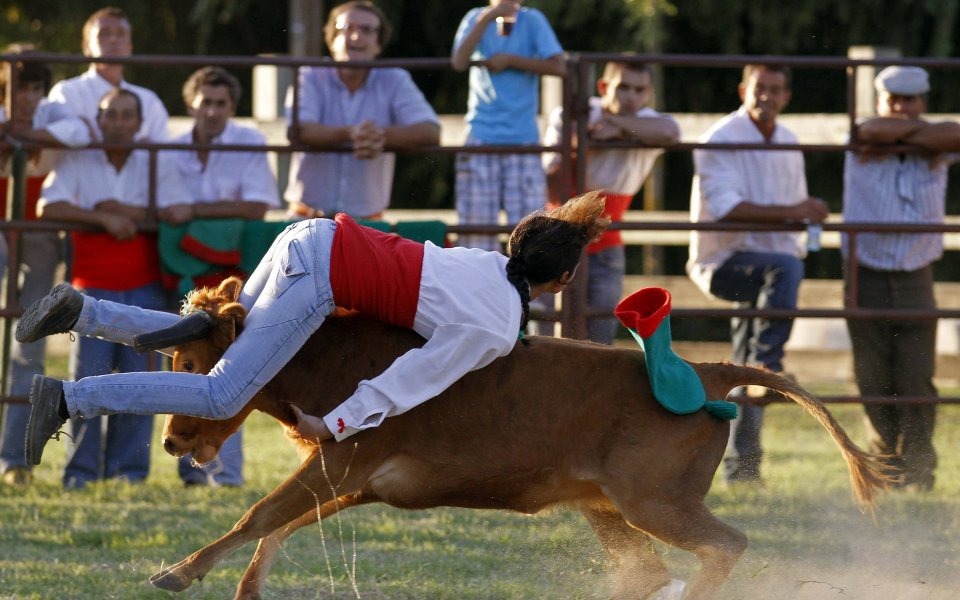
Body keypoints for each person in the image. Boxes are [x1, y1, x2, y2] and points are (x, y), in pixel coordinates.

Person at [19, 192, 609, 465]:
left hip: (310, 236)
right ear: (562, 278)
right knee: (225, 389)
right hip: (322, 272)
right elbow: (414, 377)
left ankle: (81, 311)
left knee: (214, 334)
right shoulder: (500, 326)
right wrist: (334, 423)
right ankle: (70, 398)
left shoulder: (487, 263)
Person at [32, 88, 188, 488]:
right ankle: (80, 475)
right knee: (88, 379)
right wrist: (99, 217)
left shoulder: (156, 160)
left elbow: (174, 209)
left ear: (139, 123)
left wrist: (117, 211)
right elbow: (47, 206)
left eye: (125, 115)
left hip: (146, 283)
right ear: (99, 121)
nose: (117, 123)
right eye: (109, 115)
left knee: (141, 383)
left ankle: (128, 475)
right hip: (91, 286)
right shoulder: (79, 158)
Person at [686, 64, 829, 483]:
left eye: (775, 89)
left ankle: (742, 467)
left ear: (786, 96)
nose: (766, 96)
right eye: (759, 88)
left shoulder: (787, 140)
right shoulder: (721, 139)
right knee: (756, 354)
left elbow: (793, 205)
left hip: (771, 266)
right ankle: (768, 370)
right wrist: (795, 213)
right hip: (725, 261)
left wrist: (807, 213)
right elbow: (728, 208)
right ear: (743, 90)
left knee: (741, 359)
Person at [160, 66, 282, 487]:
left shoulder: (248, 140)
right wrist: (218, 211)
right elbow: (166, 209)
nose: (212, 110)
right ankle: (189, 471)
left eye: (221, 103)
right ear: (190, 102)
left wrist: (194, 213)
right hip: (185, 273)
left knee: (230, 370)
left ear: (232, 107)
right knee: (185, 369)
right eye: (205, 101)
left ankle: (226, 474)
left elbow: (256, 207)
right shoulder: (171, 145)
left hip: (232, 278)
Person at [842, 66, 959, 493]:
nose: (900, 107)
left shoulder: (937, 140)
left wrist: (906, 135)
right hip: (866, 268)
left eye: (909, 101)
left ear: (922, 103)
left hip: (915, 270)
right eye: (892, 100)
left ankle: (920, 472)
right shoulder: (862, 136)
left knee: (916, 375)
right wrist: (914, 135)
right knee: (873, 377)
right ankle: (886, 470)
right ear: (878, 101)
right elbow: (870, 132)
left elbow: (954, 133)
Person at [0, 45, 90, 487]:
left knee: (28, 341)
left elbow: (78, 131)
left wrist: (30, 138)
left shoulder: (53, 115)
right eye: (20, 86)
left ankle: (12, 460)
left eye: (35, 86)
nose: (28, 96)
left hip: (34, 232)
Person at [542, 61, 679, 344]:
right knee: (549, 332)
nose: (631, 96)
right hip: (559, 235)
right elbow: (550, 182)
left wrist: (617, 127)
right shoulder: (573, 116)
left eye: (639, 89)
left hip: (605, 241)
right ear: (604, 87)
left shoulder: (647, 121)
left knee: (599, 335)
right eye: (623, 87)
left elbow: (670, 133)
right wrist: (587, 143)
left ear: (648, 93)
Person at [285, 1, 439, 220]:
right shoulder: (309, 75)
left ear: (379, 44)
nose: (356, 36)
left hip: (367, 223)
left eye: (366, 30)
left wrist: (380, 136)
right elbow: (299, 130)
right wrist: (352, 133)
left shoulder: (394, 79)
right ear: (332, 39)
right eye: (347, 28)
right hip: (306, 218)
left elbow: (431, 131)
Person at [451, 0, 565, 250]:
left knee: (532, 236)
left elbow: (560, 65)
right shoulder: (476, 17)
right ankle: (478, 288)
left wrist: (512, 60)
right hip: (481, 136)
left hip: (522, 139)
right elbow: (458, 62)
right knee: (476, 235)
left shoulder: (532, 20)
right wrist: (486, 18)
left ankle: (527, 289)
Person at [47, 6, 169, 142]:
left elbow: (162, 155)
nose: (113, 40)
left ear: (130, 46)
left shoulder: (149, 101)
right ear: (86, 46)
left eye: (121, 34)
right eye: (104, 33)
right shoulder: (67, 93)